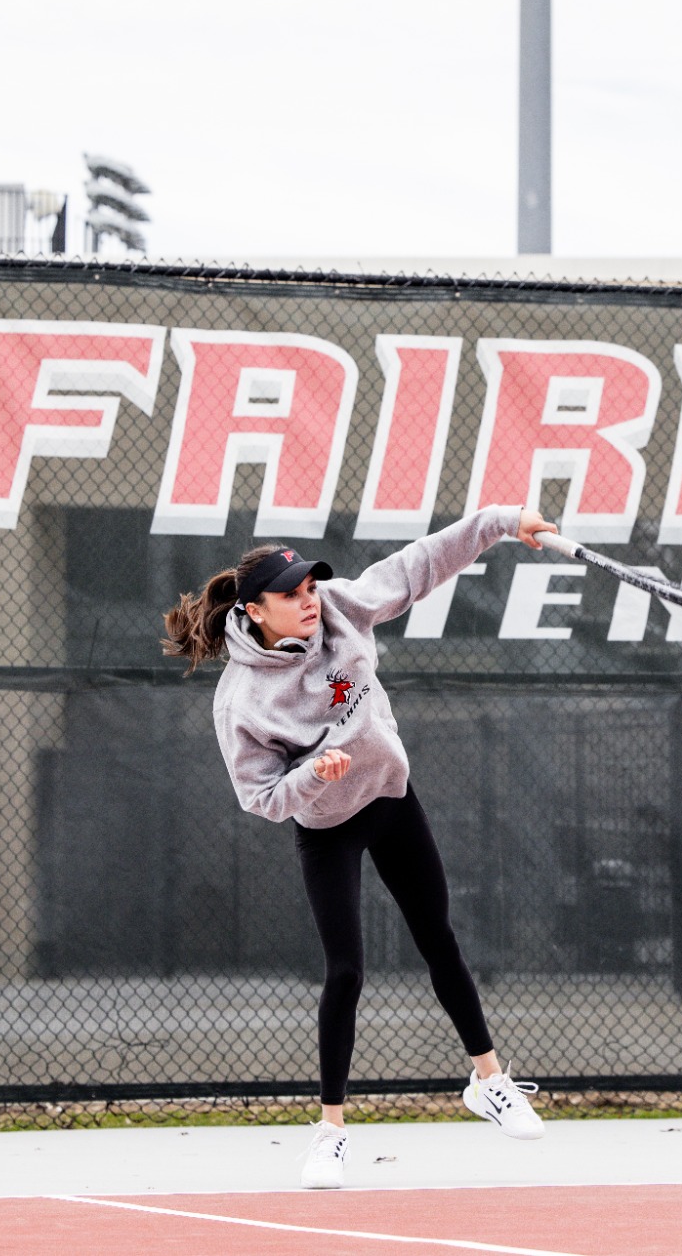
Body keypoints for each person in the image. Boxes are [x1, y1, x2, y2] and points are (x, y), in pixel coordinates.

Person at [162, 504, 559, 1190]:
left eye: (309, 586)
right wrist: (313, 776)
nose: (308, 600)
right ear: (255, 610)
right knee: (346, 971)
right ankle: (330, 1133)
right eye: (290, 594)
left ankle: (488, 1081)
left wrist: (502, 521)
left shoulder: (342, 608)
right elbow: (259, 797)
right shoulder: (240, 700)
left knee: (439, 939)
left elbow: (420, 564)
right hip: (327, 829)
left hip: (391, 798)